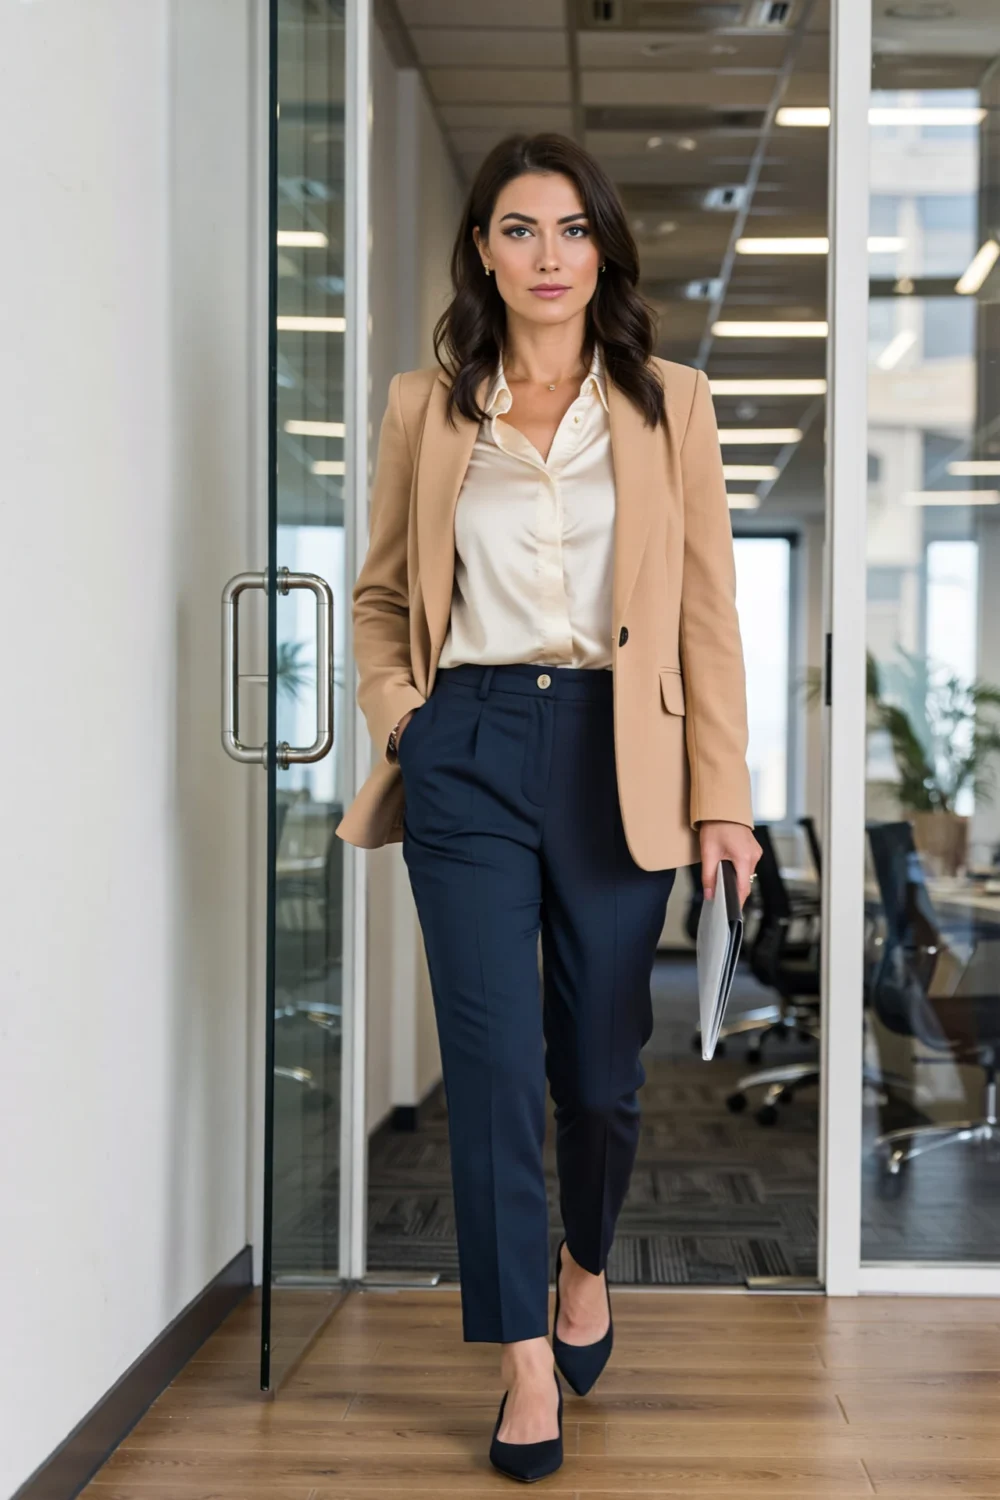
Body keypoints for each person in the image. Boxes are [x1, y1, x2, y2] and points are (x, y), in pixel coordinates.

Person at [336, 131, 761, 1482]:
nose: (549, 256)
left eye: (572, 229)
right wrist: (405, 714)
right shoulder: (425, 406)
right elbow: (383, 595)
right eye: (520, 230)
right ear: (482, 250)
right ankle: (525, 1359)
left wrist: (724, 800)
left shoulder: (668, 403)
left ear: (603, 247)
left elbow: (707, 615)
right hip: (464, 744)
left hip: (615, 752)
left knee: (600, 1072)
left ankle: (587, 1263)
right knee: (493, 1069)